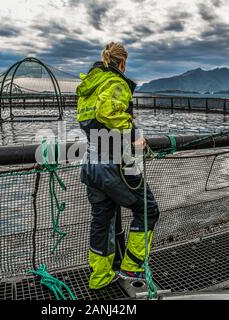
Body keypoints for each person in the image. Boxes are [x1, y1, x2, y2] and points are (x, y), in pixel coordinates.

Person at [76, 42, 160, 290]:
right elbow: (107, 112)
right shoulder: (116, 82)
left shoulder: (91, 85)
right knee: (148, 211)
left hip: (92, 162)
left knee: (102, 219)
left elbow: (91, 118)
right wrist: (134, 134)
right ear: (122, 63)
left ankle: (100, 277)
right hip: (115, 164)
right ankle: (132, 268)